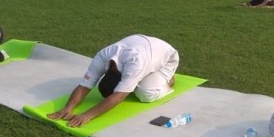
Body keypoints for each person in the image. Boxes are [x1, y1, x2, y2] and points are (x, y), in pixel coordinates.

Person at [47, 35, 179, 128]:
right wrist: (68, 108)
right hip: (144, 47)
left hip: (166, 57)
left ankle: (169, 80)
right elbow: (84, 86)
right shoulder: (102, 57)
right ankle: (136, 81)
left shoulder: (135, 62)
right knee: (134, 81)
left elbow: (118, 97)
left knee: (145, 94)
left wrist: (87, 115)